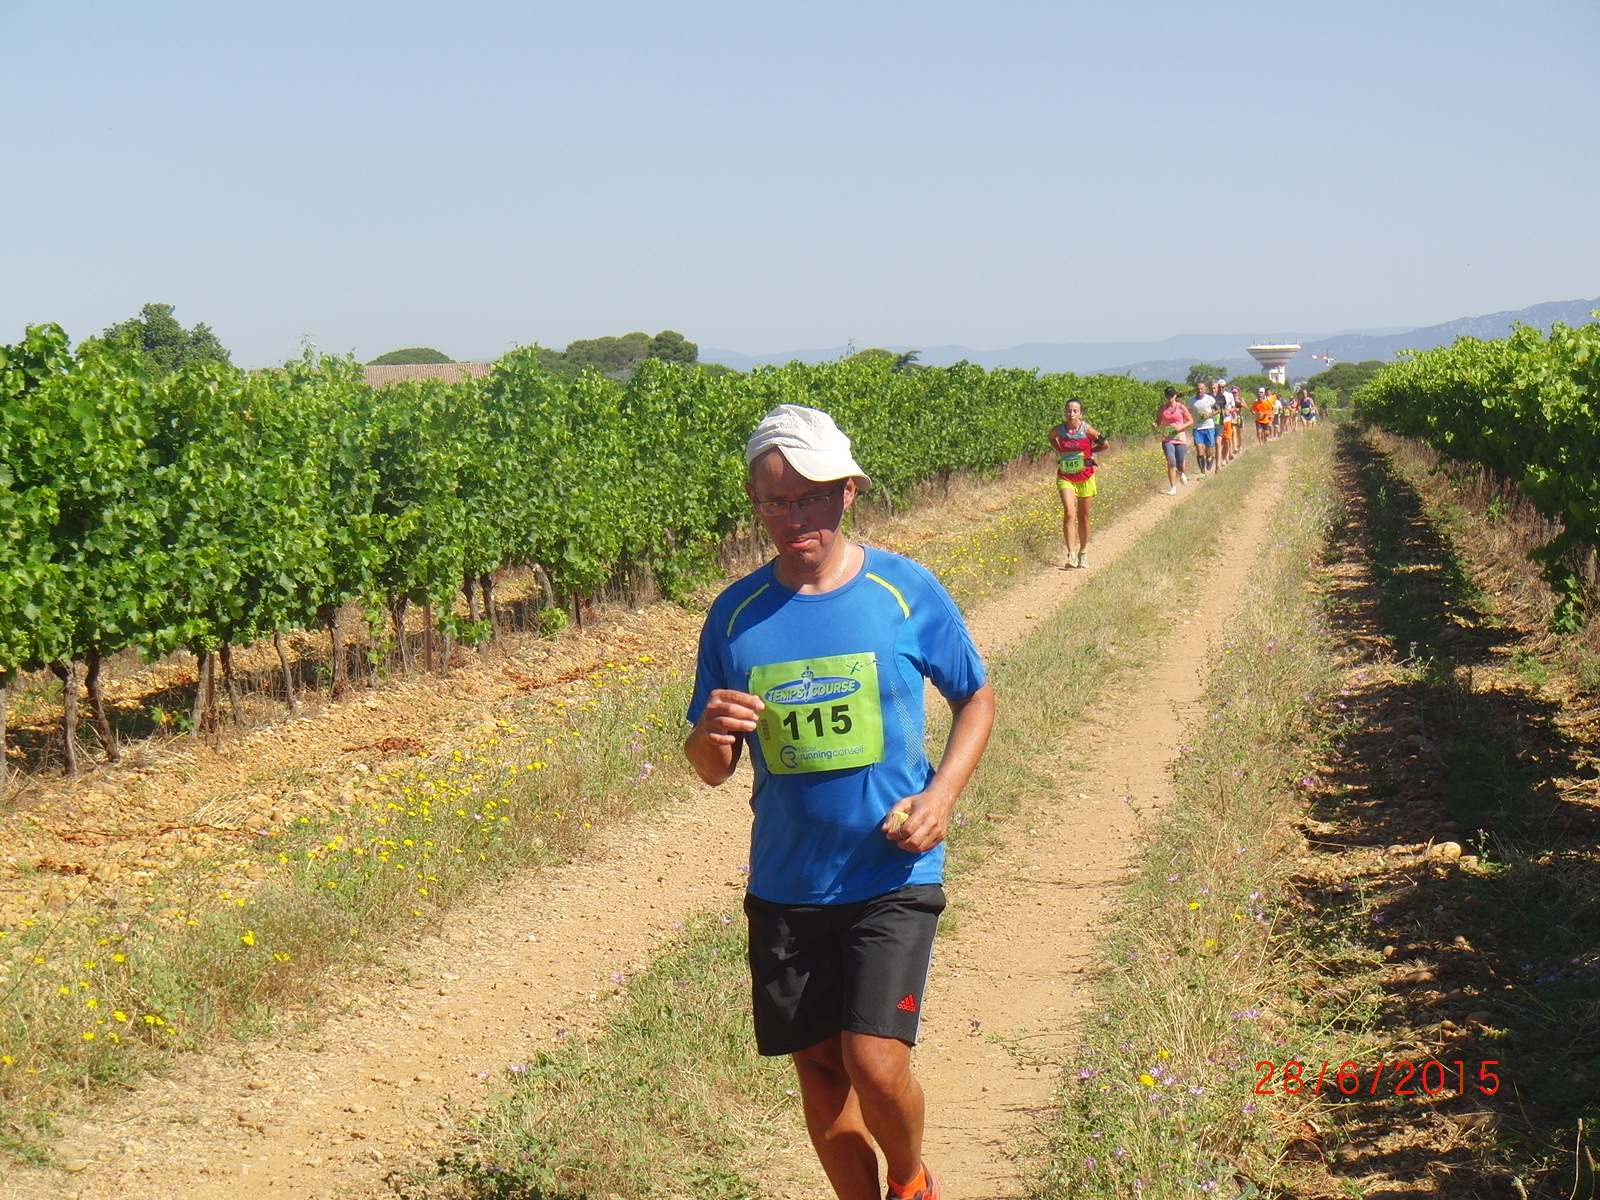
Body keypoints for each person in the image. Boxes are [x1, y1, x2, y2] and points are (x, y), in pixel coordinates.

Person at [685, 404, 996, 1200]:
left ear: (849, 491)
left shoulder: (902, 591)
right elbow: (712, 767)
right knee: (823, 1077)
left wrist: (941, 797)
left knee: (875, 1065)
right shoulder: (736, 615)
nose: (797, 519)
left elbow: (975, 697)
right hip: (787, 882)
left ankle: (911, 1181)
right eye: (777, 502)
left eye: (814, 498)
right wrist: (711, 733)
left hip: (891, 870)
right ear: (755, 503)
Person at [1050, 397, 1107, 568]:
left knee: (1084, 517)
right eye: (1069, 411)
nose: (1071, 414)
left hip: (1086, 476)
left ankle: (1083, 552)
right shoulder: (1059, 430)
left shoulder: (1088, 430)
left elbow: (1105, 444)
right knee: (1069, 513)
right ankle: (1071, 554)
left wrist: (1090, 452)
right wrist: (1060, 450)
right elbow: (1050, 437)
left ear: (1081, 414)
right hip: (1066, 476)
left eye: (1075, 411)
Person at [1155, 386, 1193, 494]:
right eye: (1168, 395)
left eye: (1171, 395)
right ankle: (1173, 488)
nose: (1170, 397)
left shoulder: (1181, 407)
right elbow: (1158, 420)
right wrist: (1156, 424)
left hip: (1179, 438)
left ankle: (1181, 472)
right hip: (1167, 439)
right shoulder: (1162, 409)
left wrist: (1181, 427)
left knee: (1180, 464)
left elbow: (1190, 421)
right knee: (1171, 462)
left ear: (1175, 395)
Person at [1190, 380, 1218, 476]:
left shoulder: (1210, 399)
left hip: (1209, 427)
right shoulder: (1191, 401)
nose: (1200, 390)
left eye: (1202, 389)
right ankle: (1202, 472)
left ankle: (1210, 458)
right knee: (1199, 448)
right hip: (1197, 428)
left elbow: (1218, 410)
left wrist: (1210, 414)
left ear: (1205, 389)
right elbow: (1186, 411)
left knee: (1209, 449)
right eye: (1198, 389)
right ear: (1195, 390)